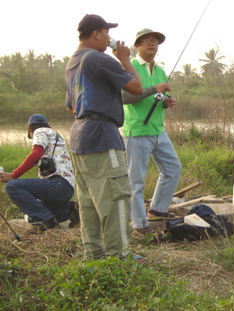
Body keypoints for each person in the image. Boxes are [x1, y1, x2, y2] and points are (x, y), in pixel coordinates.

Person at [65, 14, 144, 259]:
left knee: (88, 200)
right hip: (102, 135)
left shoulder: (72, 63)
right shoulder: (99, 59)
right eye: (107, 32)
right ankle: (119, 255)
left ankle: (94, 255)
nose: (110, 37)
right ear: (97, 34)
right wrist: (124, 59)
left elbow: (71, 107)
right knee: (115, 196)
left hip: (79, 135)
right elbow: (137, 87)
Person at [122, 28, 181, 233]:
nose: (152, 43)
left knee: (173, 169)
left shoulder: (160, 70)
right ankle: (139, 223)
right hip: (137, 132)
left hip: (159, 131)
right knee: (135, 182)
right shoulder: (130, 67)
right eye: (146, 40)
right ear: (137, 45)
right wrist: (155, 89)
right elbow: (124, 97)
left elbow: (158, 100)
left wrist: (166, 102)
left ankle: (157, 209)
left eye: (155, 40)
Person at [0, 114, 78, 234]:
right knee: (32, 217)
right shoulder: (55, 136)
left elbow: (36, 153)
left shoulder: (40, 131)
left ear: (30, 129)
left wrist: (14, 175)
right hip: (66, 189)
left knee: (13, 186)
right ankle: (69, 209)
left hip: (57, 183)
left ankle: (45, 220)